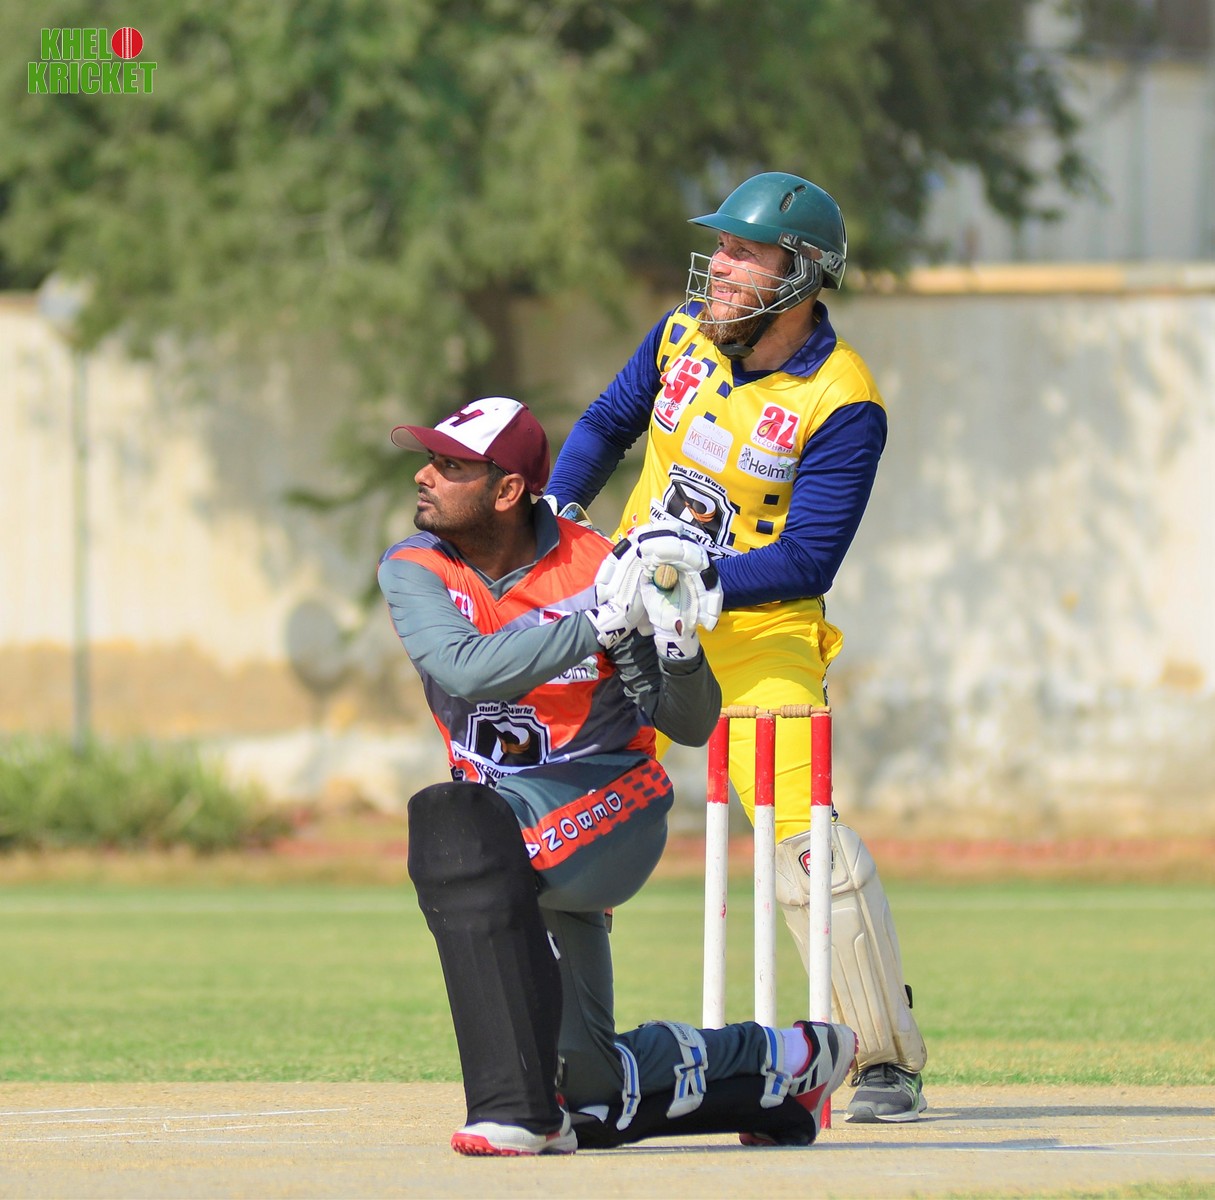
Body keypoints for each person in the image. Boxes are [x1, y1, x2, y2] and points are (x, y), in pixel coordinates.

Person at [377, 395, 857, 1156]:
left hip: (609, 805)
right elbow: (463, 669)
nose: (423, 476)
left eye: (450, 465)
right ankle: (783, 1064)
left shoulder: (600, 565)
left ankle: (515, 1113)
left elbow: (688, 723)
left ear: (507, 490)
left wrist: (678, 645)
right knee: (590, 1091)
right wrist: (597, 624)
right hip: (511, 836)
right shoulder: (414, 568)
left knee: (454, 826)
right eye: (430, 460)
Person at [545, 172, 929, 1123]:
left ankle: (880, 1056)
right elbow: (605, 424)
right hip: (633, 616)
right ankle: (551, 1046)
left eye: (742, 252)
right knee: (548, 801)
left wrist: (703, 581)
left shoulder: (842, 398)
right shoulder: (681, 333)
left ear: (798, 275)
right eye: (718, 246)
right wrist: (560, 512)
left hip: (758, 633)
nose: (717, 266)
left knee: (807, 842)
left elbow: (810, 555)